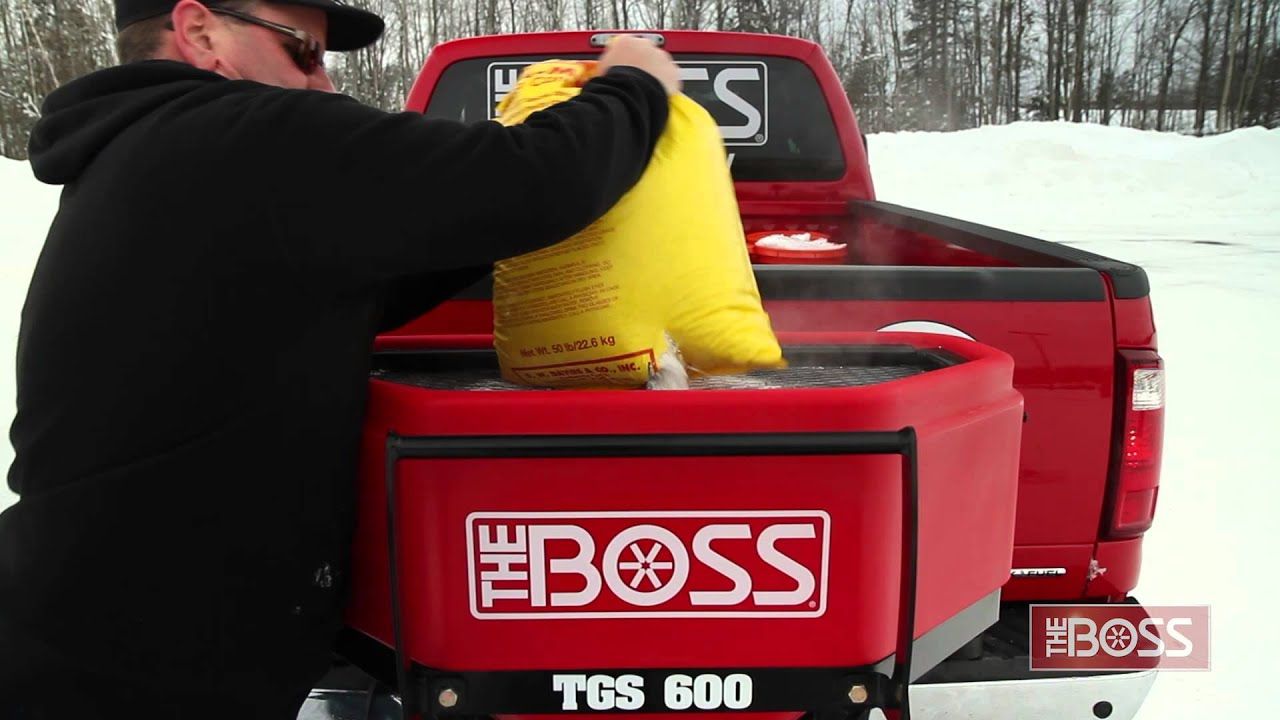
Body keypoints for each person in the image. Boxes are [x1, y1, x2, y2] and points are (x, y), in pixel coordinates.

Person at [0, 0, 681, 717]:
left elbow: (351, 288)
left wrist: (493, 230)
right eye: (304, 51)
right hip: (144, 668)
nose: (323, 82)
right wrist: (633, 85)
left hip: (88, 627)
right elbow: (535, 178)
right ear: (199, 31)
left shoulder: (155, 151)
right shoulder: (248, 135)